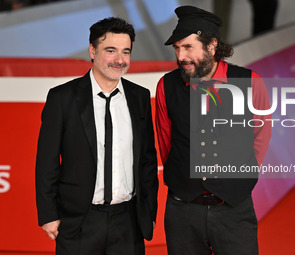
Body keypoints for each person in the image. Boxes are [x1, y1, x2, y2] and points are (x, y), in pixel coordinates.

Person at [35, 17, 158, 255]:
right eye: (110, 51)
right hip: (79, 221)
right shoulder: (63, 98)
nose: (119, 60)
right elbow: (47, 162)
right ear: (93, 51)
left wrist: (148, 212)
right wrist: (49, 214)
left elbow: (147, 161)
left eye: (126, 52)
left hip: (128, 221)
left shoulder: (139, 97)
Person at [156, 6, 271, 255]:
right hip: (182, 212)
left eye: (188, 47)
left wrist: (238, 179)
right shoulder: (166, 85)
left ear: (211, 46)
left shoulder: (250, 82)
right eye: (177, 48)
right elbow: (166, 142)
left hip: (234, 211)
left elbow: (260, 137)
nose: (181, 56)